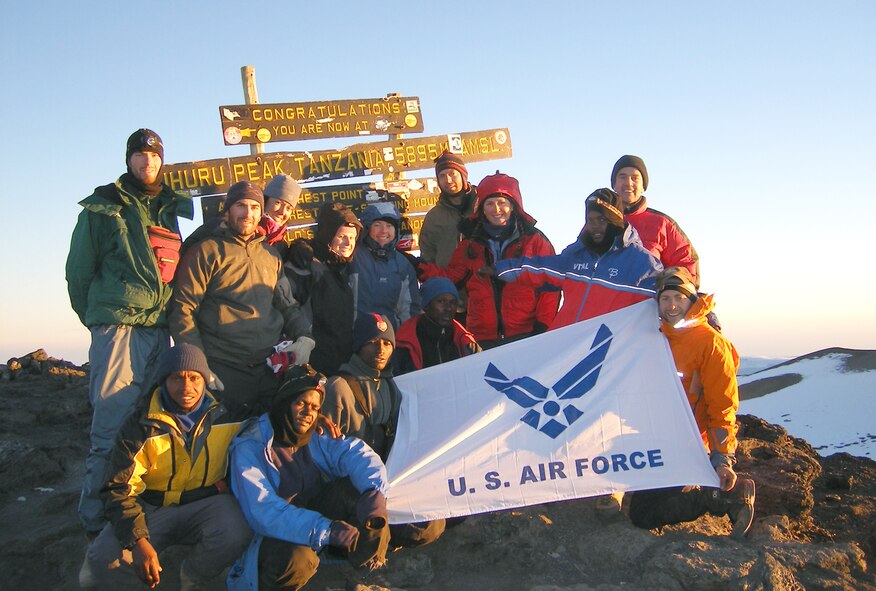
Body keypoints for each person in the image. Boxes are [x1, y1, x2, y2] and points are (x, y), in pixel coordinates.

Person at [66, 128, 195, 540]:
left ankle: (128, 507)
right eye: (139, 156)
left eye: (154, 156)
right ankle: (95, 521)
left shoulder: (167, 208)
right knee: (110, 423)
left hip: (158, 329)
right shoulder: (104, 208)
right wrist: (99, 319)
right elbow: (79, 272)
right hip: (119, 329)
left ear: (162, 161)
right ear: (128, 160)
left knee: (145, 421)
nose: (147, 162)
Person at [86, 344, 252, 590]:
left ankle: (192, 576)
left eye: (194, 378)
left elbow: (277, 424)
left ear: (205, 380)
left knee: (239, 530)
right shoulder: (140, 425)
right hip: (151, 508)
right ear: (164, 381)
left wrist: (313, 421)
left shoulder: (230, 414)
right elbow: (117, 488)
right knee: (103, 558)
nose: (186, 387)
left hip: (207, 504)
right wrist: (138, 542)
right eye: (177, 378)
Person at [227, 365, 391, 591]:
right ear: (285, 402)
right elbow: (263, 511)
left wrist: (375, 491)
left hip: (315, 513)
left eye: (314, 407)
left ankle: (362, 572)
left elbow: (353, 452)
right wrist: (327, 529)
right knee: (298, 558)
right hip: (272, 534)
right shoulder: (251, 446)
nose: (308, 413)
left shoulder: (314, 433)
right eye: (300, 403)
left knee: (364, 497)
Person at [628, 267, 756, 538]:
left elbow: (722, 407)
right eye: (665, 299)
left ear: (691, 300)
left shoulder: (711, 344)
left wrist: (722, 458)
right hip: (655, 438)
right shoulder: (655, 335)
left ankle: (722, 499)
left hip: (689, 443)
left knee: (643, 514)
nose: (672, 305)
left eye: (679, 298)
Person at [170, 181, 313, 420]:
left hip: (269, 368)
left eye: (254, 207)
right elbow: (183, 309)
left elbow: (287, 304)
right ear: (228, 211)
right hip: (224, 369)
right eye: (241, 206)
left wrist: (305, 337)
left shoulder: (270, 255)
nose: (248, 213)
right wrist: (197, 364)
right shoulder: (207, 251)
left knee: (269, 443)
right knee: (225, 443)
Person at [323, 313, 446, 546]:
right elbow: (324, 457)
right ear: (358, 345)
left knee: (433, 522)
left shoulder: (390, 386)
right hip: (347, 484)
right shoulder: (338, 388)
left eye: (387, 343)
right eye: (372, 342)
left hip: (384, 480)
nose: (381, 349)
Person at [419, 172, 559, 348]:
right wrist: (420, 268)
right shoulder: (470, 245)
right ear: (482, 209)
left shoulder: (535, 241)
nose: (496, 209)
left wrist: (543, 326)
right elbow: (452, 277)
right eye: (490, 203)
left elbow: (551, 286)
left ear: (513, 206)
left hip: (526, 334)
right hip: (481, 338)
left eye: (502, 203)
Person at [494, 188, 662, 328]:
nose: (595, 226)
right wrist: (499, 269)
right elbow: (538, 269)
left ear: (616, 222)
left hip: (608, 353)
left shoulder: (642, 263)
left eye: (602, 220)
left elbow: (669, 299)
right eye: (590, 220)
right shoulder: (576, 255)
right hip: (568, 345)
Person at [285, 201, 364, 376]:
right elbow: (289, 307)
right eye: (342, 236)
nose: (347, 243)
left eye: (352, 237)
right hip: (312, 363)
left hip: (340, 363)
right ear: (328, 234)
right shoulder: (307, 264)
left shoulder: (341, 268)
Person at [611, 155, 700, 286]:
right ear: (614, 184)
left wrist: (670, 292)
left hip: (646, 303)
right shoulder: (599, 222)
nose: (628, 183)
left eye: (635, 178)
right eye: (622, 177)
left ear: (643, 186)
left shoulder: (662, 224)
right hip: (605, 305)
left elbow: (687, 267)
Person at [418, 151, 478, 323]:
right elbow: (427, 260)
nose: (448, 180)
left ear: (463, 175)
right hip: (451, 301)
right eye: (442, 176)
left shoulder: (483, 206)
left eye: (453, 173)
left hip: (485, 296)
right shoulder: (434, 217)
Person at [350, 201, 421, 330]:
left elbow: (409, 308)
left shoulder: (403, 265)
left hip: (391, 340)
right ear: (367, 228)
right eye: (377, 225)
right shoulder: (352, 257)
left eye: (389, 226)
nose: (384, 231)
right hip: (354, 335)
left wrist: (406, 339)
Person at [393, 277, 481, 375]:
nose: (448, 308)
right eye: (441, 301)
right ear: (426, 305)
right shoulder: (404, 343)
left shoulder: (467, 343)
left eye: (452, 302)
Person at [261, 174, 302, 257]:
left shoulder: (282, 247)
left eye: (288, 208)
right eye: (278, 203)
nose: (283, 212)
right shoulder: (248, 233)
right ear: (265, 201)